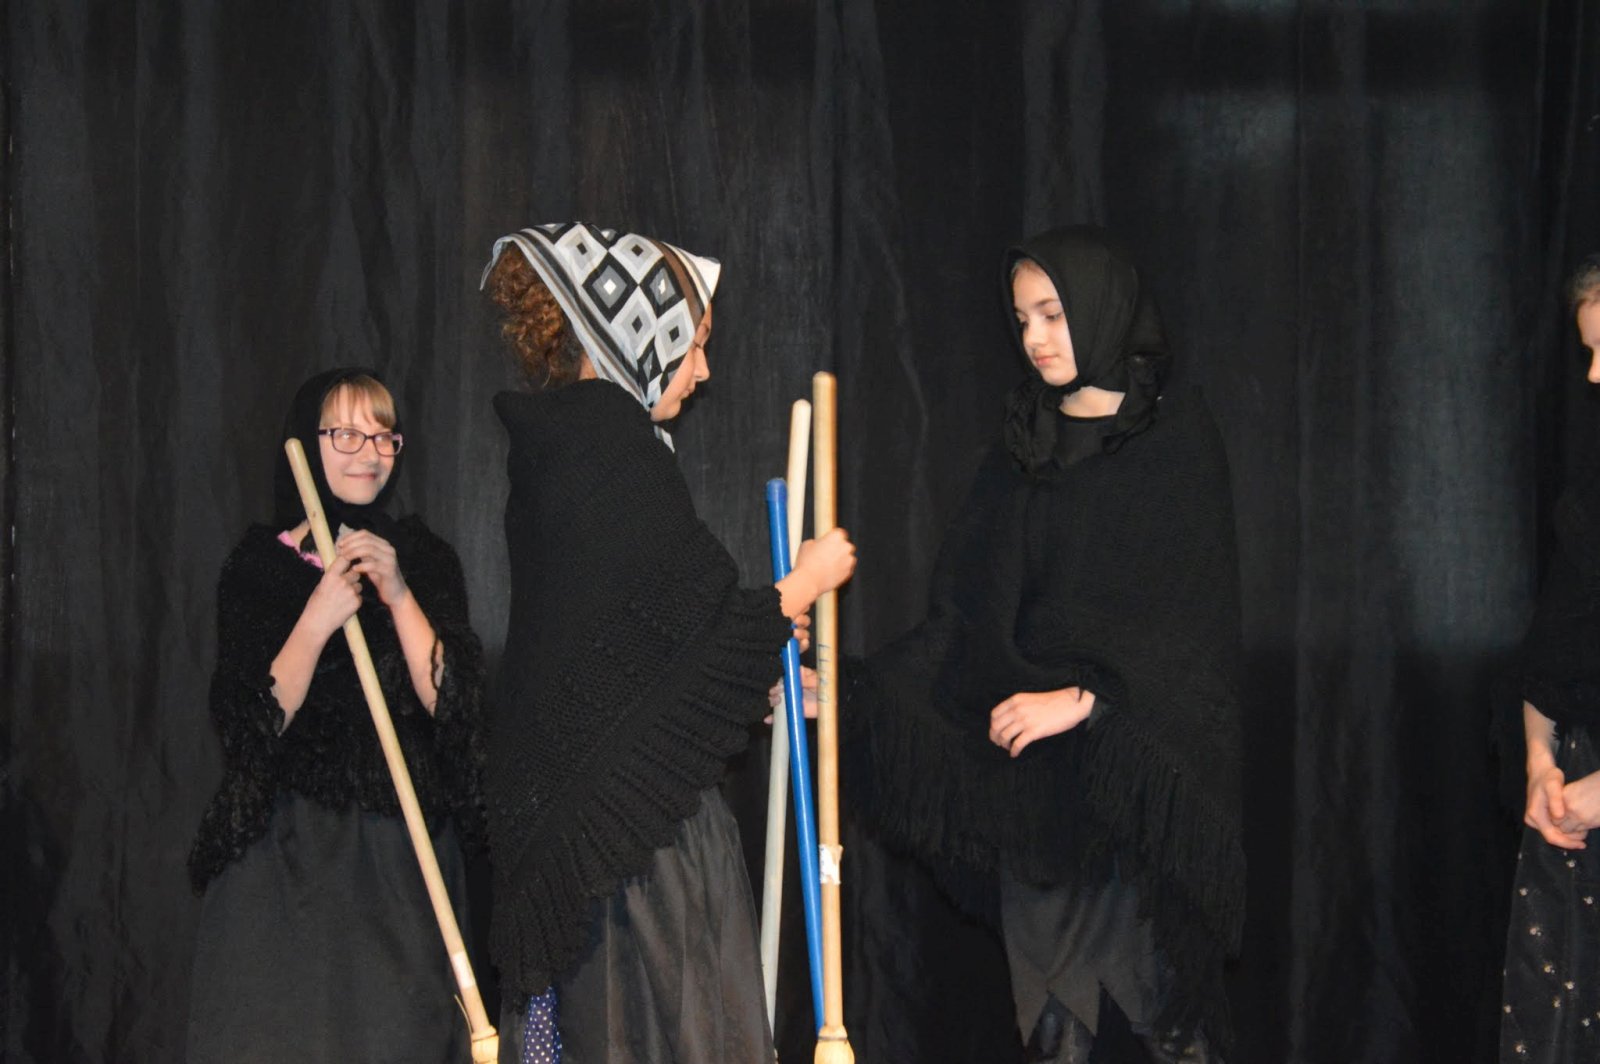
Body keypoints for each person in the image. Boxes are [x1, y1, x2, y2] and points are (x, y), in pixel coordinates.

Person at [844, 227, 1244, 1062]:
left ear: (1100, 307)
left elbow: (1193, 635)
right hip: (1035, 804)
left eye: (1053, 314)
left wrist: (1089, 702)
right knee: (1056, 1030)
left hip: (1134, 795)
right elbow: (960, 623)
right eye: (1023, 319)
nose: (1034, 338)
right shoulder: (1017, 457)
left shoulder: (1177, 446)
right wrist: (846, 692)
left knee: (1170, 1029)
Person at [479, 222, 856, 1063]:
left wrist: (761, 678)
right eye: (694, 344)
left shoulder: (565, 447)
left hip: (587, 829)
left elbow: (639, 656)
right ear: (640, 333)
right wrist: (806, 580)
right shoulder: (612, 449)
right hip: (633, 848)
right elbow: (696, 639)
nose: (704, 370)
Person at [186, 368, 484, 1064]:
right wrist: (318, 617)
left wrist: (399, 593)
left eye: (383, 435)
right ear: (306, 442)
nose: (369, 452)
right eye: (346, 433)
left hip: (399, 860)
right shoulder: (261, 567)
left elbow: (452, 705)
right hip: (288, 861)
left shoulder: (424, 558)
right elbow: (252, 723)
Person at [1501, 254, 1600, 1063]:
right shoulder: (1592, 491)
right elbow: (1552, 651)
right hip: (1578, 804)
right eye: (1590, 353)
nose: (1594, 375)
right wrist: (1540, 759)